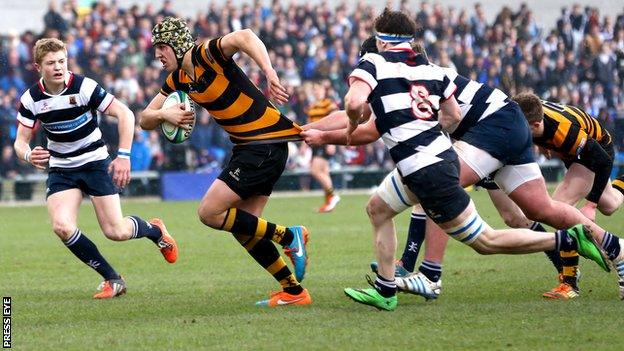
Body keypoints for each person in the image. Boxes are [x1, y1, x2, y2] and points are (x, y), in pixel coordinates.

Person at [305, 9, 608, 311]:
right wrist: (314, 129)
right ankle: (388, 287)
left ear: (383, 46)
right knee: (377, 209)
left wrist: (343, 128)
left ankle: (564, 241)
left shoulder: (376, 66)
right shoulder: (428, 71)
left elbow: (357, 109)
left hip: (432, 165)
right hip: (439, 155)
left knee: (486, 241)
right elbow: (452, 116)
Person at [356, 41, 624, 301]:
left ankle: (429, 276)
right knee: (538, 210)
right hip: (505, 125)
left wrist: (323, 133)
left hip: (497, 129)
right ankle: (618, 250)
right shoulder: (414, 80)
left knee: (437, 184)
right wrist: (318, 130)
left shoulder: (419, 81)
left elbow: (372, 129)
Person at [139, 17, 311, 307]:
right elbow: (144, 119)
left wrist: (269, 72)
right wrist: (163, 116)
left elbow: (245, 35)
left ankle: (288, 235)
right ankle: (293, 291)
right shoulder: (178, 79)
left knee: (209, 212)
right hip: (251, 148)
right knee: (243, 228)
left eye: (162, 47)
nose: (157, 54)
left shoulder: (205, 54)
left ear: (178, 45)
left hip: (264, 143)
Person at [13, 38, 178, 299]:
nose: (58, 67)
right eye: (51, 63)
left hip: (95, 164)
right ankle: (113, 279)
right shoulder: (31, 98)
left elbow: (125, 114)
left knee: (116, 232)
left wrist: (123, 156)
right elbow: (20, 142)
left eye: (62, 61)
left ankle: (155, 230)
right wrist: (29, 155)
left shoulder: (83, 86)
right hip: (62, 170)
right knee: (62, 226)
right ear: (37, 67)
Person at [306, 80, 340, 212]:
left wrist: (331, 142)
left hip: (324, 140)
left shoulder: (329, 104)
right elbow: (310, 123)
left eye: (318, 89)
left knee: (315, 170)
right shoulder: (312, 106)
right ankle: (329, 204)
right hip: (315, 142)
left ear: (324, 90)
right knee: (324, 172)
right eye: (314, 89)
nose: (316, 92)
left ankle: (332, 195)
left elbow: (336, 122)